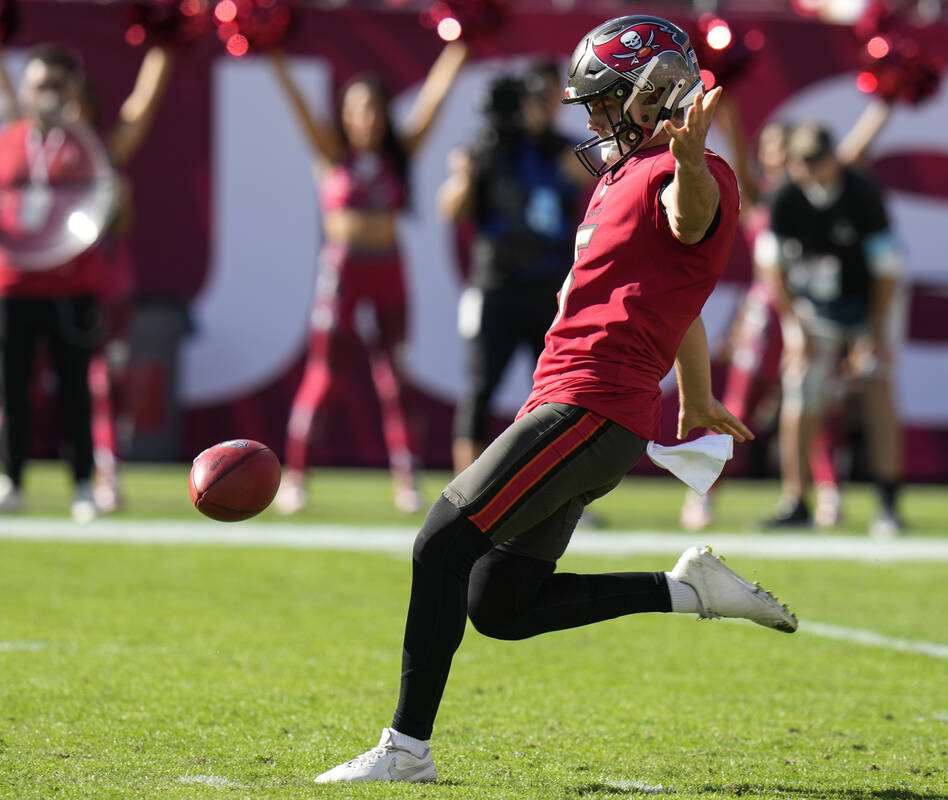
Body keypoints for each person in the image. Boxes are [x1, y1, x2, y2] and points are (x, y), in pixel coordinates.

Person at [312, 16, 797, 785]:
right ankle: (686, 590)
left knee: (439, 543)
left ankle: (406, 750)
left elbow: (689, 215)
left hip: (592, 404)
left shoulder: (685, 175)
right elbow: (679, 300)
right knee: (500, 604)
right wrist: (697, 395)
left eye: (602, 102)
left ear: (648, 96)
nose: (592, 119)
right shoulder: (620, 177)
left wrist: (694, 160)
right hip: (578, 403)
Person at [269, 41, 468, 515]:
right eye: (357, 109)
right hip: (342, 270)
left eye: (375, 108)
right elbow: (299, 108)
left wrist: (458, 48)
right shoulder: (330, 154)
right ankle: (295, 478)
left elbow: (433, 102)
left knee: (395, 380)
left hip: (388, 270)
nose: (368, 117)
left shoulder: (399, 155)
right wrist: (274, 54)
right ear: (343, 114)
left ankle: (407, 481)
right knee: (323, 377)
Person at [0, 44, 169, 522]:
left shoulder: (89, 147)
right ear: (26, 88)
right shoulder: (10, 139)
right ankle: (13, 478)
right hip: (13, 281)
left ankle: (81, 483)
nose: (47, 94)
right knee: (12, 386)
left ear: (75, 90)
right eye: (39, 85)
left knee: (76, 386)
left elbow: (113, 217)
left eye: (57, 85)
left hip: (74, 282)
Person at [439, 59, 591, 474]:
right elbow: (451, 209)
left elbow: (594, 169)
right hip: (497, 283)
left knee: (555, 390)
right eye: (532, 97)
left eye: (548, 97)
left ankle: (549, 487)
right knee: (480, 385)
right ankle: (462, 492)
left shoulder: (565, 150)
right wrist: (469, 172)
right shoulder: (490, 148)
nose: (541, 106)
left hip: (550, 284)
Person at [760, 121, 906, 536]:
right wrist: (792, 327)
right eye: (800, 162)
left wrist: (872, 335)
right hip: (812, 304)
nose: (808, 170)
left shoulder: (862, 193)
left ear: (832, 158)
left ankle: (889, 502)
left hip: (870, 300)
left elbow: (887, 272)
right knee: (800, 387)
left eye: (816, 160)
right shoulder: (784, 196)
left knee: (876, 386)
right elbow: (772, 267)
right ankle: (794, 499)